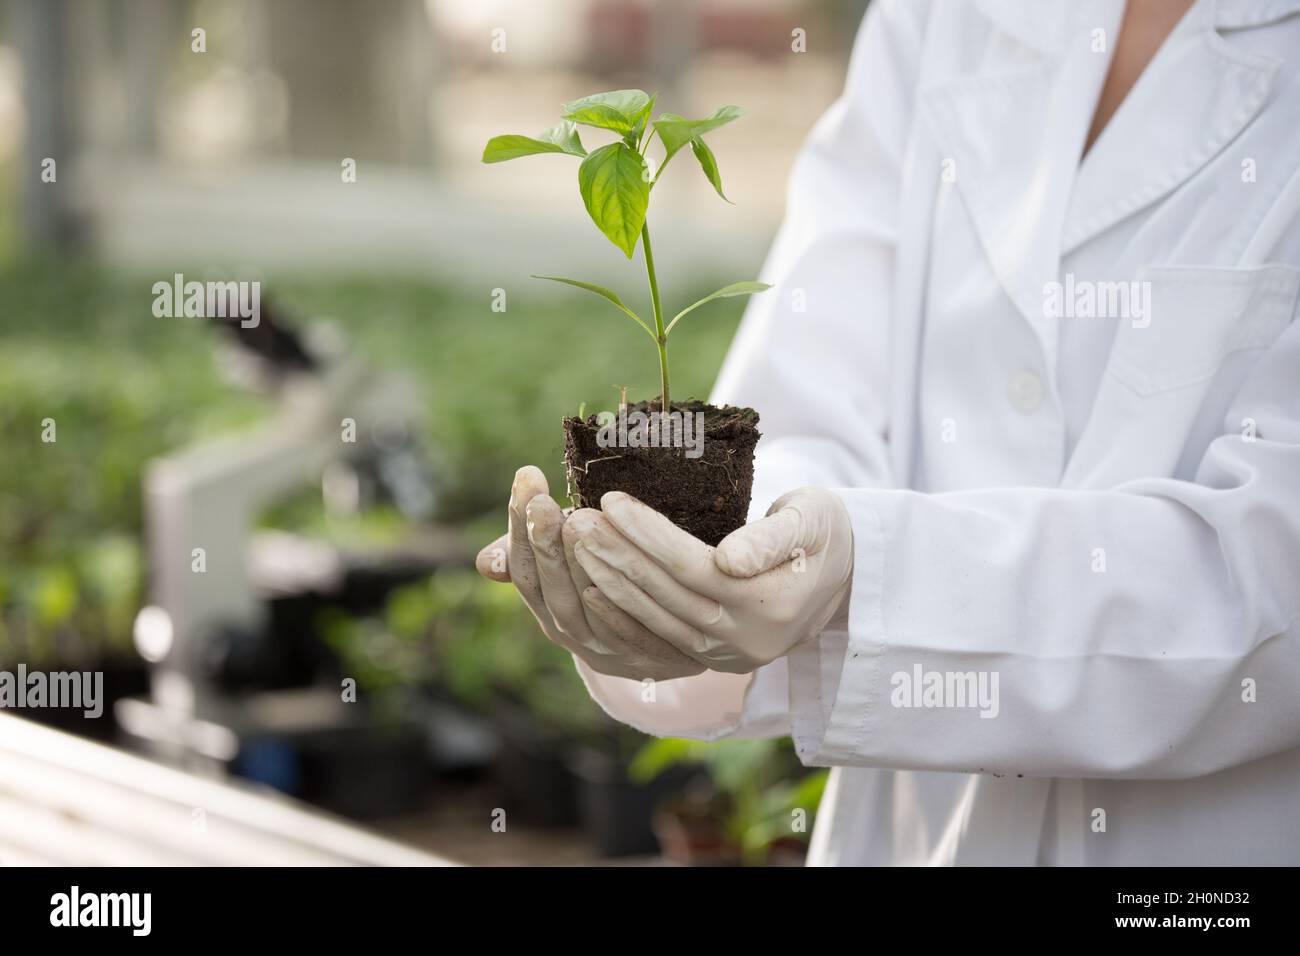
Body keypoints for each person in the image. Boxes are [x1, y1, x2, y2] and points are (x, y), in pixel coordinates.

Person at [476, 0, 1300, 865]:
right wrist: (695, 581)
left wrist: (869, 572)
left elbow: (1273, 573)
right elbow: (807, 402)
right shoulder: (939, 17)